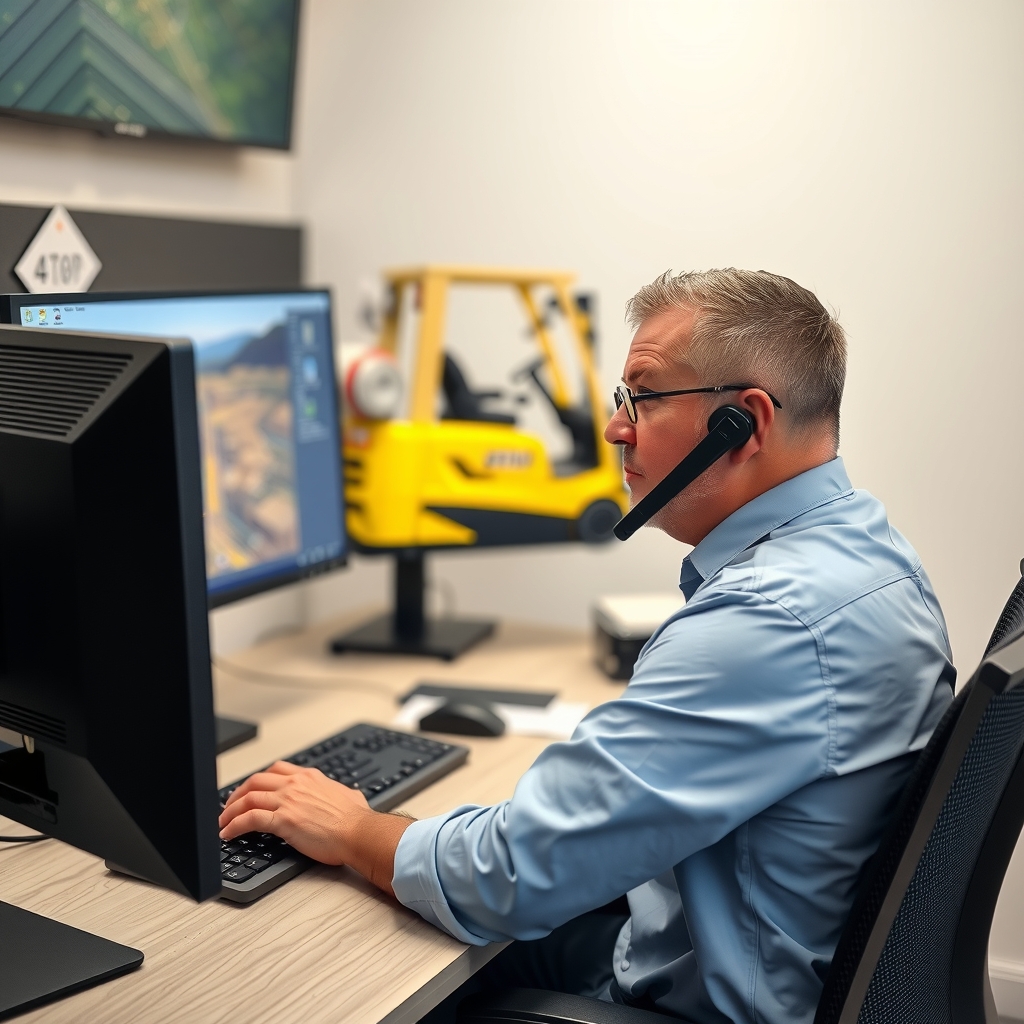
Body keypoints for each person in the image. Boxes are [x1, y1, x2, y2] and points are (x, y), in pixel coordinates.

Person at [219, 269, 955, 1024]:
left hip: (712, 1005)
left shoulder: (767, 620)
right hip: (777, 964)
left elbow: (515, 874)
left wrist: (356, 827)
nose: (615, 428)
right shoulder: (872, 553)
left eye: (642, 396)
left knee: (356, 985)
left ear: (745, 422)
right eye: (619, 399)